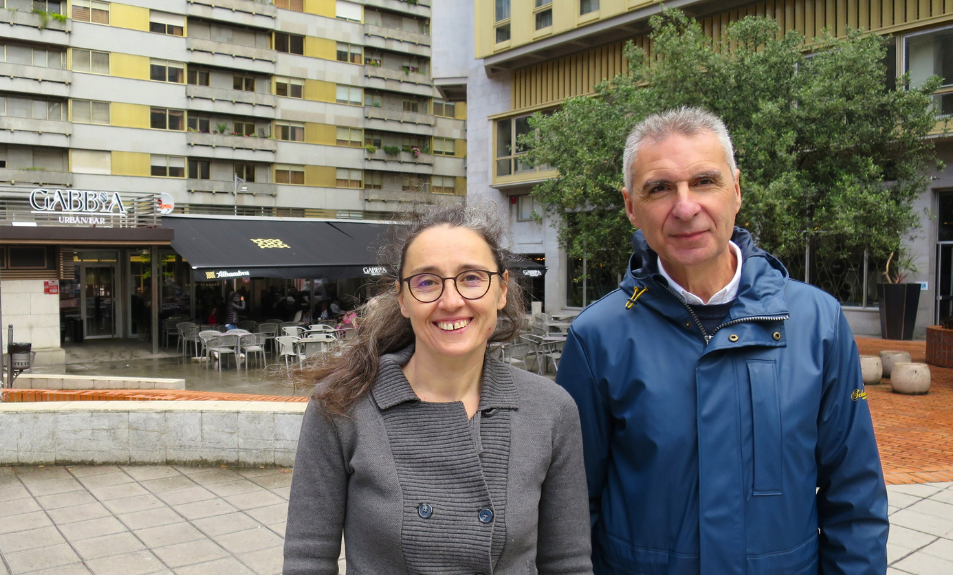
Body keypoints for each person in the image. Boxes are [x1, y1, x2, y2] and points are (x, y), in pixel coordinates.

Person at [557, 107, 888, 574]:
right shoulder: (597, 338)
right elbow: (573, 511)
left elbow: (855, 496)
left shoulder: (818, 323)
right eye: (660, 188)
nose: (686, 207)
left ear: (736, 189)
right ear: (631, 206)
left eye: (704, 182)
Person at [284, 204, 593, 574]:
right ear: (402, 298)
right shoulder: (340, 406)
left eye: (472, 278)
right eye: (427, 282)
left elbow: (567, 562)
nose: (450, 301)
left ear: (501, 290)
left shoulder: (551, 409)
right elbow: (309, 559)